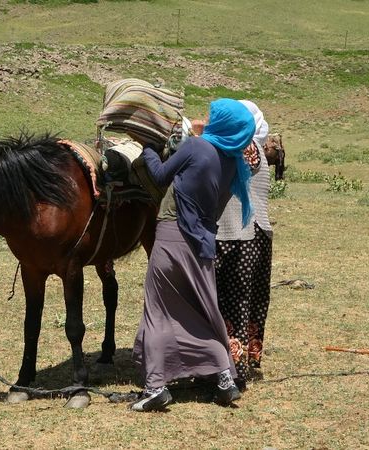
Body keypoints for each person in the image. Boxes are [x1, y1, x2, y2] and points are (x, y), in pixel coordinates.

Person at [130, 98, 256, 412]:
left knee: (158, 312)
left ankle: (155, 387)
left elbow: (159, 175)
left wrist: (148, 145)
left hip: (172, 237)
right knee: (203, 311)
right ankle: (224, 376)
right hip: (203, 245)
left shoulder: (196, 147)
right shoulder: (233, 163)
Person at [213, 100, 274, 390]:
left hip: (236, 235)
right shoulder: (259, 148)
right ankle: (248, 360)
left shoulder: (239, 147)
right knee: (253, 300)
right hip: (260, 235)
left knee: (230, 301)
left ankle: (232, 369)